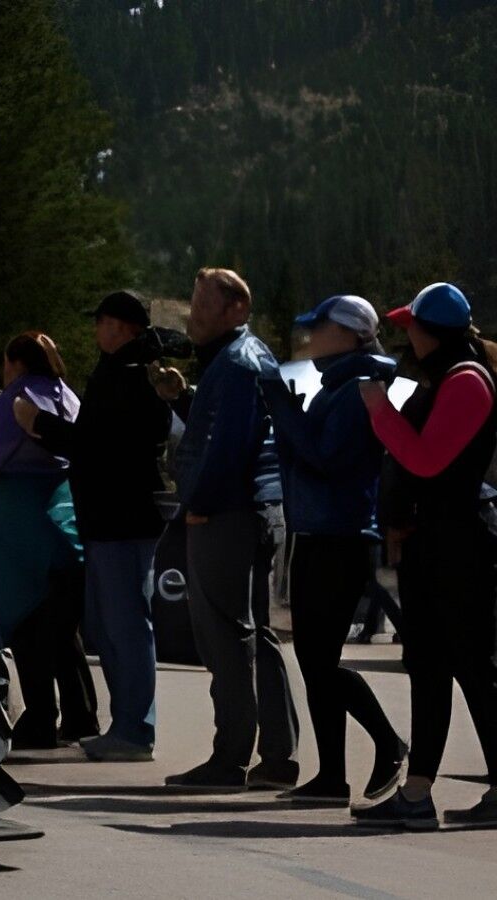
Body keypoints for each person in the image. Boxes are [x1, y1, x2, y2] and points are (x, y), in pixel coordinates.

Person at [354, 282, 497, 830]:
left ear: (429, 330)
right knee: (432, 669)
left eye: (411, 325)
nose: (405, 333)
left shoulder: (466, 382)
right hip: (434, 544)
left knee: (472, 669)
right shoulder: (443, 377)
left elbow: (426, 460)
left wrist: (377, 409)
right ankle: (416, 793)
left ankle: (425, 794)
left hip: (457, 546)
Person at [12, 291, 174, 761]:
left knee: (125, 625)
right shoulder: (128, 370)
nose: (96, 329)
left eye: (103, 321)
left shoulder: (125, 374)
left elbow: (95, 444)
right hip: (114, 513)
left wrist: (36, 422)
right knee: (116, 623)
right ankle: (128, 724)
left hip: (121, 514)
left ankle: (134, 730)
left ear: (122, 327)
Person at [259, 295, 407, 805]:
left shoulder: (354, 391)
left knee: (319, 660)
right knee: (314, 657)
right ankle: (331, 777)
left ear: (347, 334)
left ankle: (388, 743)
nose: (309, 340)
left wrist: (280, 405)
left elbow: (325, 458)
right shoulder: (340, 385)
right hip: (324, 532)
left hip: (340, 537)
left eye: (318, 330)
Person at [166, 267, 300, 791]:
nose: (193, 316)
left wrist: (200, 502)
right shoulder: (243, 358)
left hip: (228, 513)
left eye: (203, 306)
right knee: (255, 634)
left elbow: (231, 445)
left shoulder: (239, 362)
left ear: (236, 309)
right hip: (253, 509)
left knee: (225, 635)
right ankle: (276, 756)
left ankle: (230, 759)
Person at [0, 332, 96, 746]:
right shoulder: (68, 396)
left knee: (26, 621)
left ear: (16, 364)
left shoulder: (18, 397)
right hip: (66, 520)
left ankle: (40, 718)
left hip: (22, 525)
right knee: (62, 627)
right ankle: (81, 715)